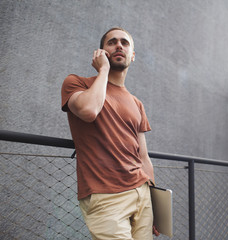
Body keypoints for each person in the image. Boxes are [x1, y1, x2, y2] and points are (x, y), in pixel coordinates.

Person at [61, 27, 159, 239]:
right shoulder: (77, 83)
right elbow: (89, 111)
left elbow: (143, 157)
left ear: (132, 56)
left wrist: (153, 199)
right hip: (105, 196)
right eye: (112, 42)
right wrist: (103, 71)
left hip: (142, 193)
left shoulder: (137, 103)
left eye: (125, 43)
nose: (118, 46)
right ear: (101, 53)